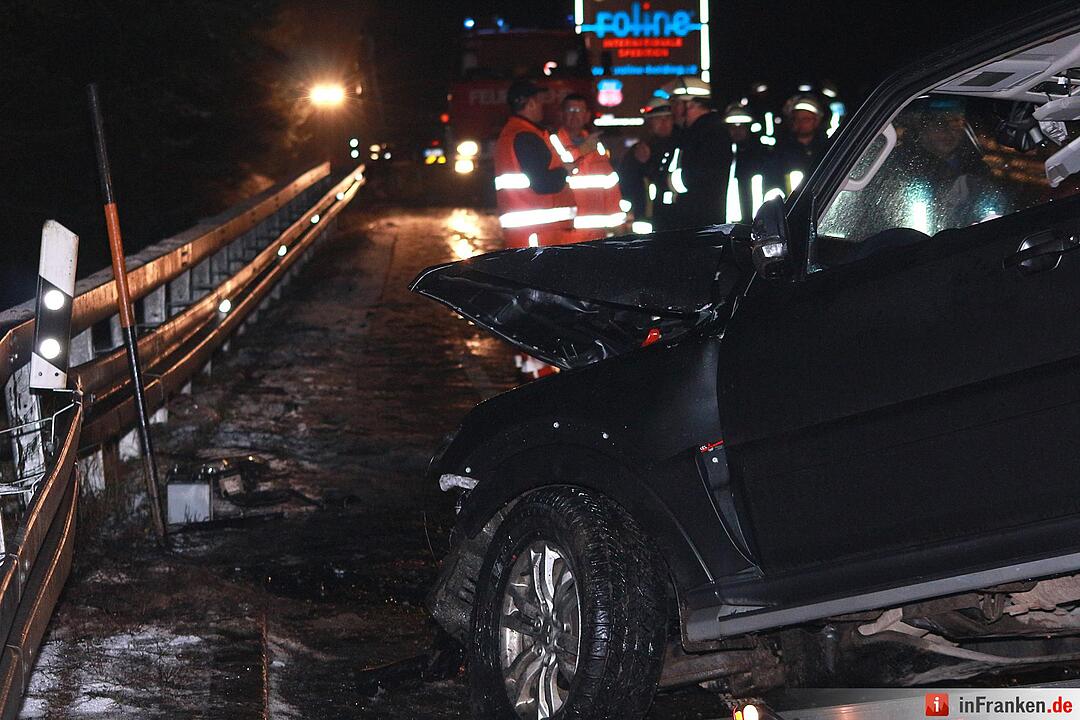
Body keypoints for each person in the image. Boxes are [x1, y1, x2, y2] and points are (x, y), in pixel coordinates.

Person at [493, 79, 579, 249]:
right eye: (539, 101)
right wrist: (565, 171)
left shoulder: (512, 133)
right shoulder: (526, 136)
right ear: (531, 104)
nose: (542, 106)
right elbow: (543, 183)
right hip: (540, 238)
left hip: (530, 237)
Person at [552, 93, 626, 241]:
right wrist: (582, 150)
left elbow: (610, 183)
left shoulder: (596, 146)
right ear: (561, 114)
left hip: (598, 235)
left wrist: (619, 228)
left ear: (587, 116)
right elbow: (560, 171)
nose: (575, 116)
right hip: (566, 234)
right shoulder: (552, 142)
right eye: (570, 111)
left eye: (579, 111)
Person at [663, 77, 733, 228]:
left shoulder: (712, 134)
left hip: (702, 226)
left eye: (676, 102)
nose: (672, 109)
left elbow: (699, 178)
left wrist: (669, 180)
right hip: (690, 225)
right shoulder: (691, 133)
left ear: (691, 104)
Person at [618, 96, 675, 232]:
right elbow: (625, 184)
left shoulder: (679, 148)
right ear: (649, 123)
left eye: (667, 118)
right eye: (658, 118)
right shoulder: (637, 152)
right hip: (644, 219)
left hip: (672, 219)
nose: (664, 122)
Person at [723, 101, 773, 223]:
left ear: (748, 127)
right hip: (729, 225)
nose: (737, 131)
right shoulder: (722, 155)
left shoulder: (762, 154)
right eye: (733, 127)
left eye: (741, 126)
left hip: (760, 222)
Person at [772, 93, 829, 195]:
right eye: (796, 119)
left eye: (806, 119)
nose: (800, 123)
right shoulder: (782, 149)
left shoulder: (827, 147)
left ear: (816, 121)